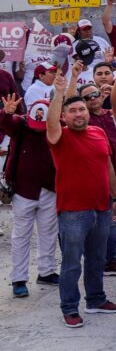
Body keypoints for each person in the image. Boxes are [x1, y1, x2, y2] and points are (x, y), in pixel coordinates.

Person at [45, 74, 116, 327]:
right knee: (71, 264)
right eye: (73, 111)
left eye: (82, 109)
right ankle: (69, 308)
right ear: (65, 116)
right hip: (73, 212)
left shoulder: (99, 132)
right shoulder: (60, 136)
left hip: (102, 207)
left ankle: (96, 300)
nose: (79, 114)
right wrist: (59, 94)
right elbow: (50, 125)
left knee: (96, 258)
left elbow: (109, 168)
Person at [3, 96, 58, 298]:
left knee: (49, 233)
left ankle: (47, 271)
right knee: (21, 236)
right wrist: (7, 113)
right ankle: (18, 278)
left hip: (49, 189)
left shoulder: (57, 124)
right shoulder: (20, 124)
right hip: (23, 191)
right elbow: (7, 124)